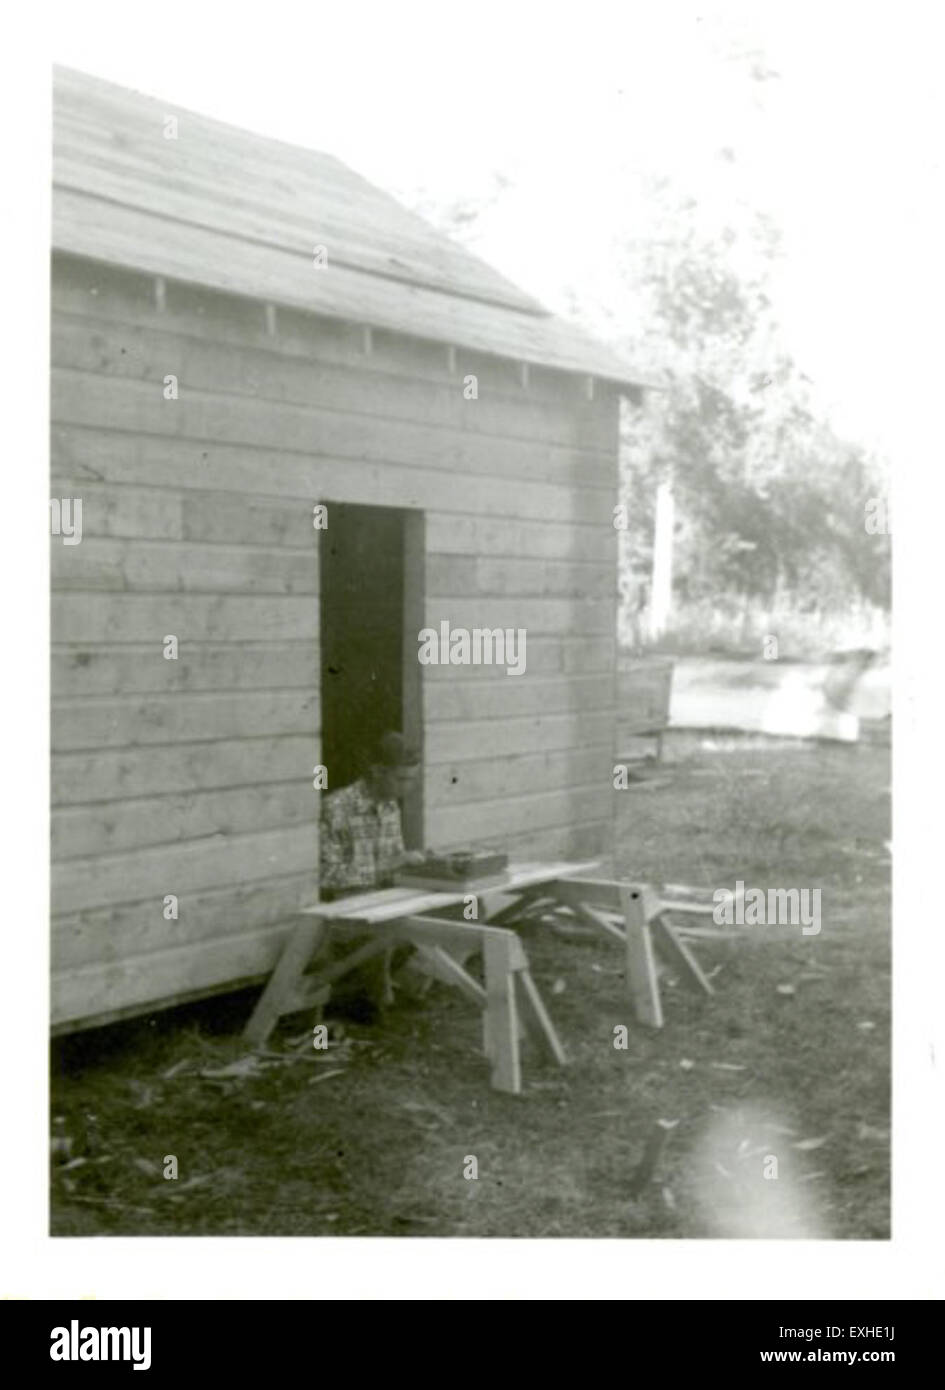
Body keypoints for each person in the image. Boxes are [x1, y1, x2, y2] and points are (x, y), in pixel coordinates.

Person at [319, 731, 423, 1016]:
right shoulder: (336, 807)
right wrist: (389, 867)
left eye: (413, 779)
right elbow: (327, 875)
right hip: (348, 906)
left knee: (466, 912)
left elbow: (394, 863)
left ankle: (403, 986)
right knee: (387, 928)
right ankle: (378, 1003)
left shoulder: (390, 806)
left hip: (385, 898)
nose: (409, 787)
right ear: (377, 772)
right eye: (402, 779)